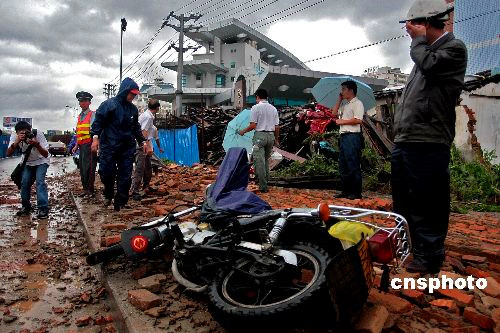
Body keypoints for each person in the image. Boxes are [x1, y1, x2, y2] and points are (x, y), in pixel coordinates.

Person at [393, 0, 467, 274]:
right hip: (408, 139)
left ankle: (430, 255)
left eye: (413, 27)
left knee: (428, 201)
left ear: (425, 24)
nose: (409, 33)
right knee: (405, 199)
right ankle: (412, 246)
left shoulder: (452, 49)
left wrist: (419, 41)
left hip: (428, 139)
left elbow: (429, 64)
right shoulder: (424, 53)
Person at [90, 77, 147, 211]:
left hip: (126, 147)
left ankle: (120, 202)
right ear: (124, 91)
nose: (133, 96)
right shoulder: (108, 105)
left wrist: (142, 141)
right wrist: (95, 138)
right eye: (131, 93)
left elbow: (136, 127)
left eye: (134, 95)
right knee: (106, 172)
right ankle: (108, 193)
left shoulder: (133, 110)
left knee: (125, 176)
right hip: (109, 145)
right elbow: (98, 123)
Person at [6, 121, 50, 218]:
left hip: (42, 161)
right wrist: (17, 141)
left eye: (26, 132)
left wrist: (37, 144)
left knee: (40, 182)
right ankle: (26, 207)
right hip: (28, 162)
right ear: (17, 132)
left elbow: (46, 154)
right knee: (24, 182)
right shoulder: (14, 136)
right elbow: (8, 153)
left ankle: (43, 209)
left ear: (30, 130)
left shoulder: (37, 134)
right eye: (21, 133)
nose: (24, 135)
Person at [238, 88, 279, 193]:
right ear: (267, 97)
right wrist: (276, 139)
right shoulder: (273, 109)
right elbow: (277, 126)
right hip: (271, 136)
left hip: (260, 137)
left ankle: (263, 187)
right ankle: (265, 181)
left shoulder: (255, 108)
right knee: (265, 161)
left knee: (259, 161)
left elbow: (253, 125)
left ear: (257, 97)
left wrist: (243, 131)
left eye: (256, 98)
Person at [330, 80, 364, 200]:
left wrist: (342, 121)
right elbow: (333, 114)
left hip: (352, 136)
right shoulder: (345, 105)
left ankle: (356, 192)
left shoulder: (358, 103)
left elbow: (358, 120)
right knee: (343, 164)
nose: (342, 91)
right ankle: (346, 191)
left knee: (353, 163)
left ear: (351, 90)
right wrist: (339, 99)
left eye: (344, 89)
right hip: (344, 137)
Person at [130, 99, 160, 201]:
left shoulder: (147, 115)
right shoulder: (148, 117)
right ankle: (135, 191)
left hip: (142, 143)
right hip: (140, 145)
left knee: (148, 168)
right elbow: (143, 131)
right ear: (157, 108)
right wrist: (146, 145)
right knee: (140, 168)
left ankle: (145, 186)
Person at [73, 91, 97, 197]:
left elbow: (94, 130)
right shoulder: (79, 117)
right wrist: (76, 145)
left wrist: (95, 143)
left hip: (90, 144)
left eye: (85, 101)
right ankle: (85, 189)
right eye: (81, 101)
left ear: (89, 102)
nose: (82, 103)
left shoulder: (92, 115)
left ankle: (90, 190)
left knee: (90, 168)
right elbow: (79, 133)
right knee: (82, 168)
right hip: (82, 146)